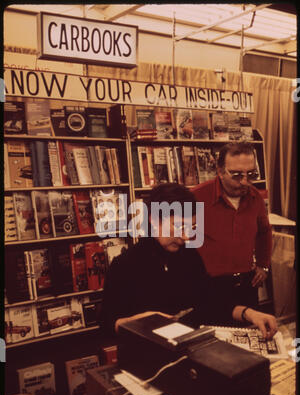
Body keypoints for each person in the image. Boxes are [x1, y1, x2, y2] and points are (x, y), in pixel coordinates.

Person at [102, 183, 277, 340]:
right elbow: (107, 326)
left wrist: (250, 314)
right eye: (178, 226)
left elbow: (212, 301)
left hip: (191, 348)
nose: (186, 237)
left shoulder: (188, 255)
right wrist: (141, 321)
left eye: (191, 227)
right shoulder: (124, 265)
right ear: (153, 220)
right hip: (149, 357)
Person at [191, 142, 272, 322]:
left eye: (250, 175)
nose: (244, 181)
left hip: (247, 284)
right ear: (220, 171)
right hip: (210, 287)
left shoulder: (256, 197)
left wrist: (263, 264)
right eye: (236, 175)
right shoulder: (195, 197)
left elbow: (265, 231)